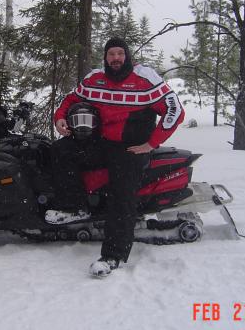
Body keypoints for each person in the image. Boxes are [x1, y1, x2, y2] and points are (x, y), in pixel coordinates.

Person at [48, 37, 185, 277]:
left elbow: (175, 110)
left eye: (120, 54)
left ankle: (113, 255)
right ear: (105, 57)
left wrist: (152, 143)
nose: (116, 59)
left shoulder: (146, 79)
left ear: (127, 55)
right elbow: (72, 99)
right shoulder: (95, 79)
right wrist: (60, 117)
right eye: (111, 54)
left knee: (121, 194)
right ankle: (75, 207)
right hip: (101, 142)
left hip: (131, 148)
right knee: (60, 151)